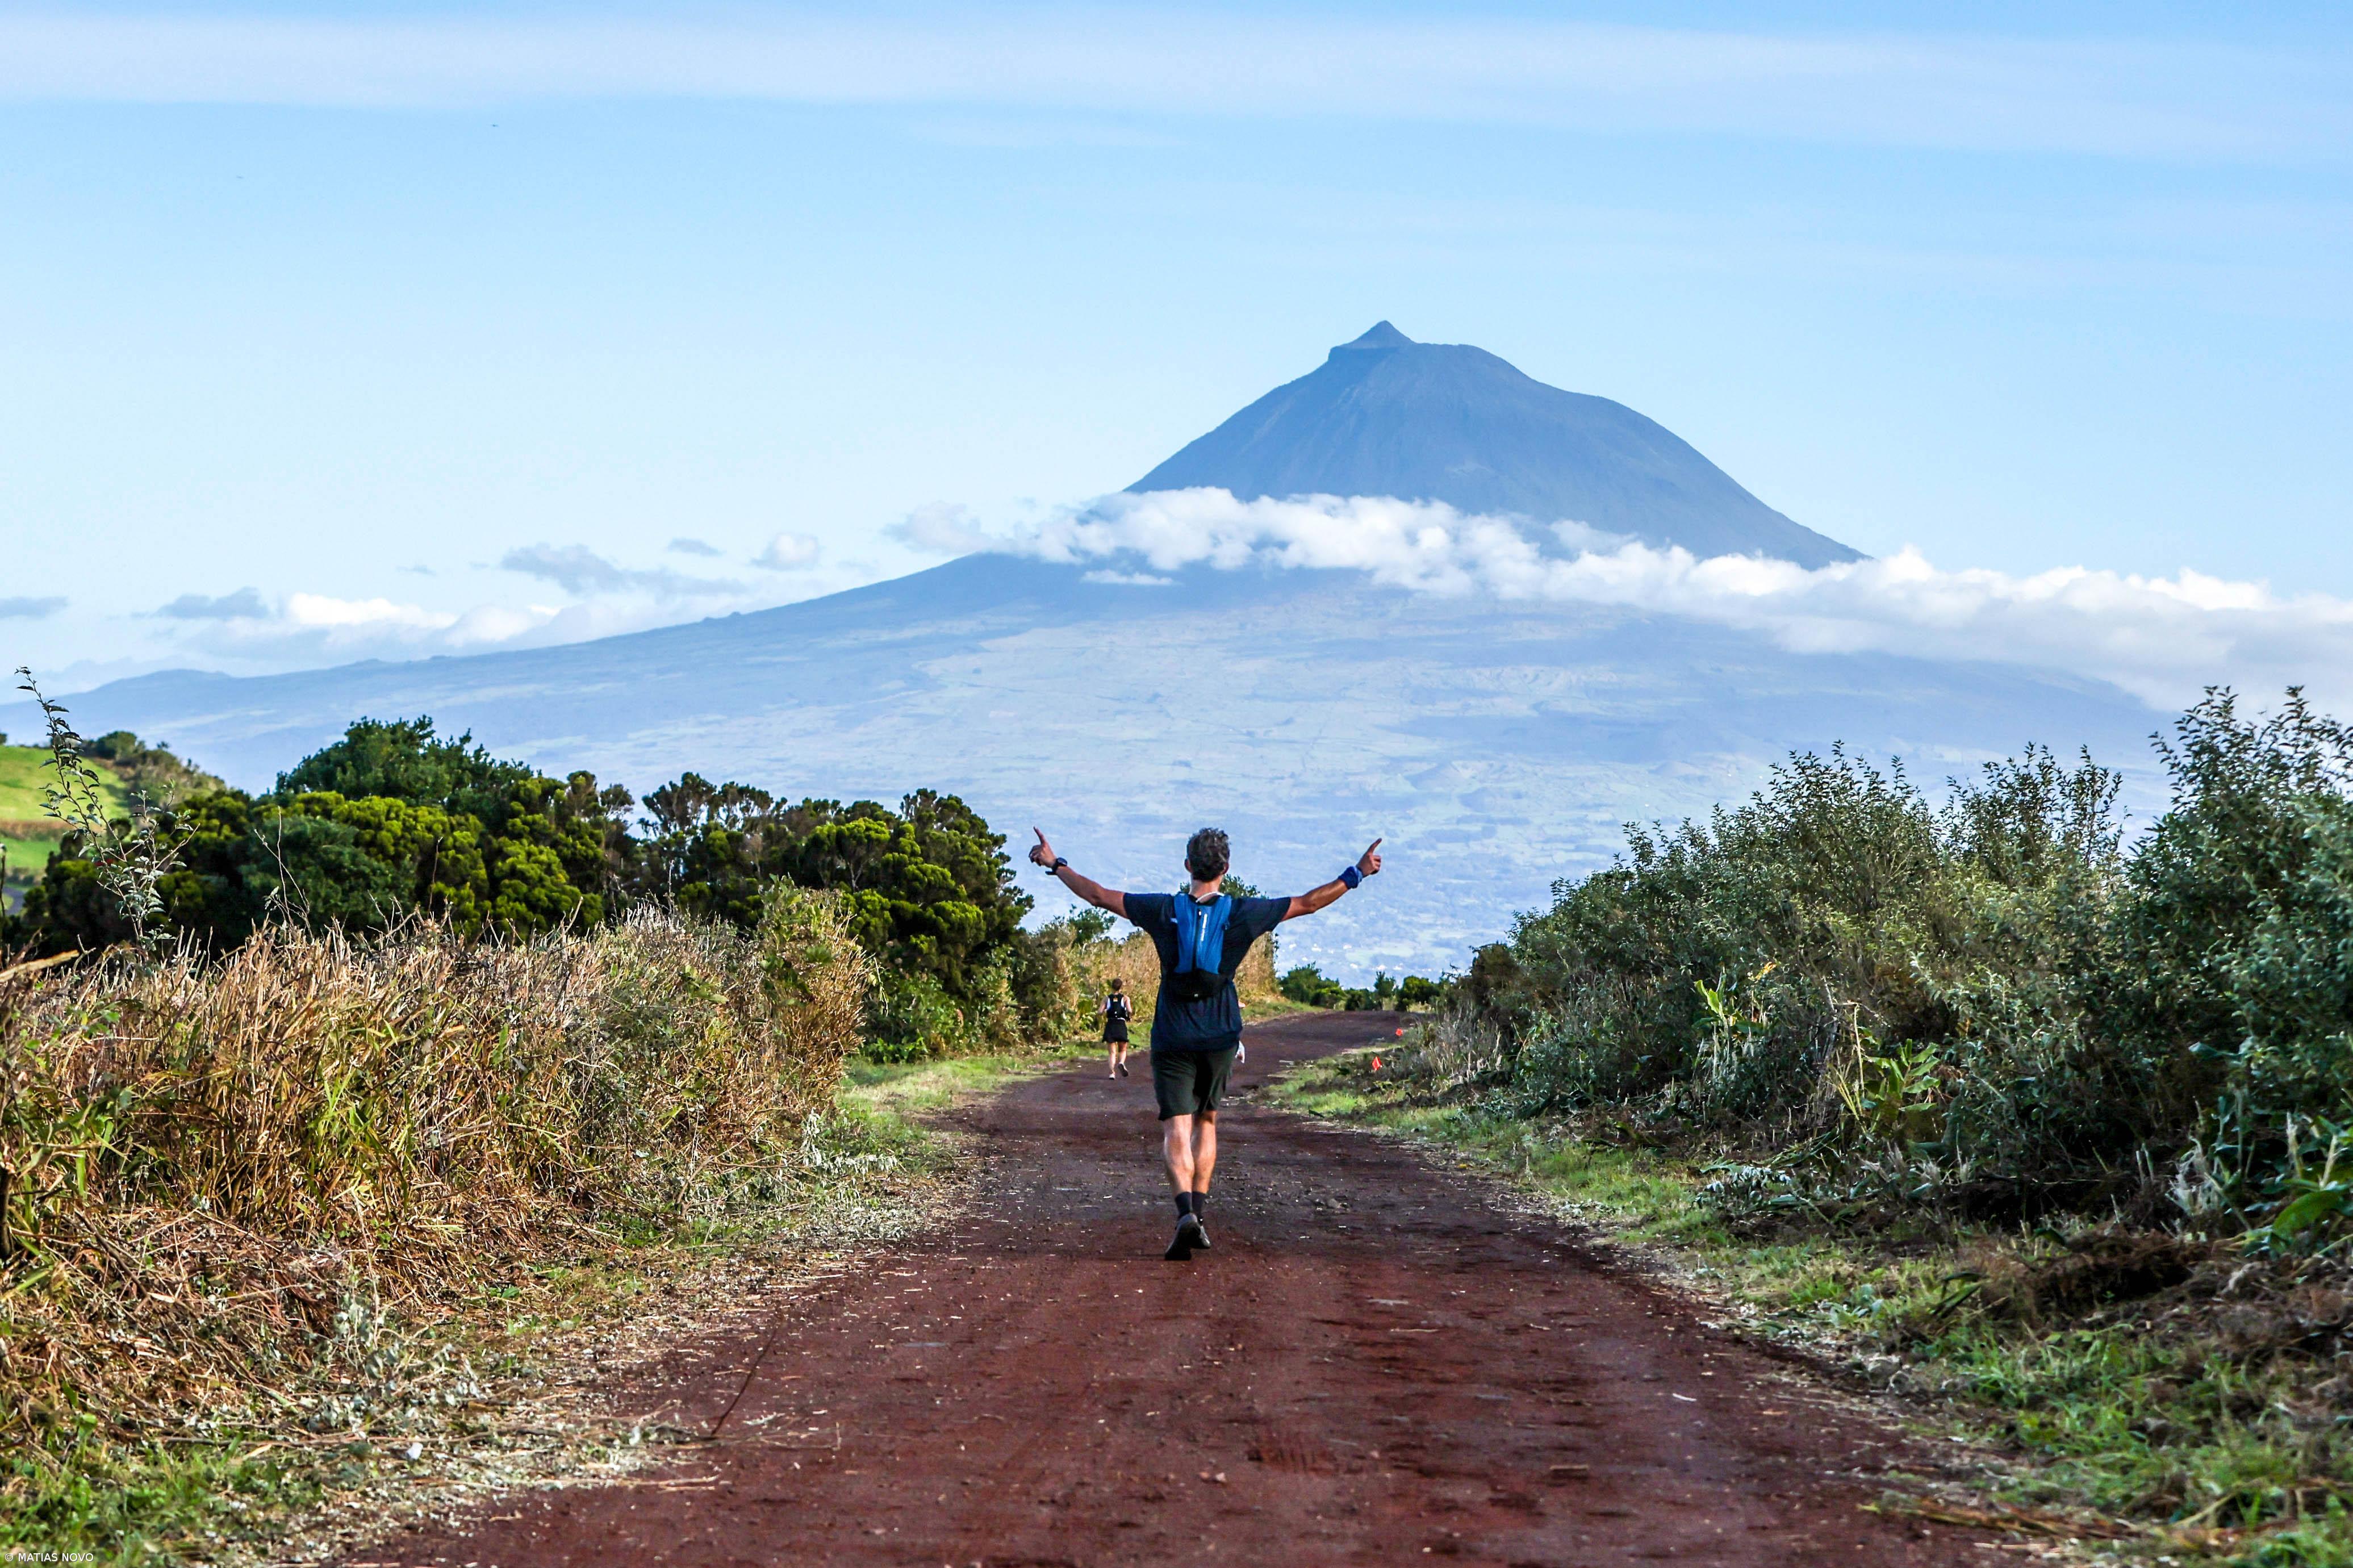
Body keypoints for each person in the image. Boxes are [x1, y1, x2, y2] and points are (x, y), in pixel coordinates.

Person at [1027, 825, 1382, 1260]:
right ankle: (1198, 1212)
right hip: (1219, 1033)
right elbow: (1309, 902)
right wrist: (1357, 872)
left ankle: (1183, 1214)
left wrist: (1056, 864)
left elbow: (1098, 896)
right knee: (1207, 1121)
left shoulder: (1163, 909)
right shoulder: (1243, 913)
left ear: (1187, 866)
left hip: (1173, 1033)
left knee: (1176, 1126)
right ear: (1225, 868)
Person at [1101, 977, 1134, 1078]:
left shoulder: (1106, 998)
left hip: (1111, 1024)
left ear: (1112, 986)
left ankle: (1112, 1073)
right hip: (1121, 1024)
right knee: (1123, 1049)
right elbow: (1130, 1010)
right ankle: (1121, 1063)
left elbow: (1100, 1011)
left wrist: (1105, 1010)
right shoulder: (1125, 998)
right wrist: (1129, 1016)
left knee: (1112, 1053)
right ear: (1121, 987)